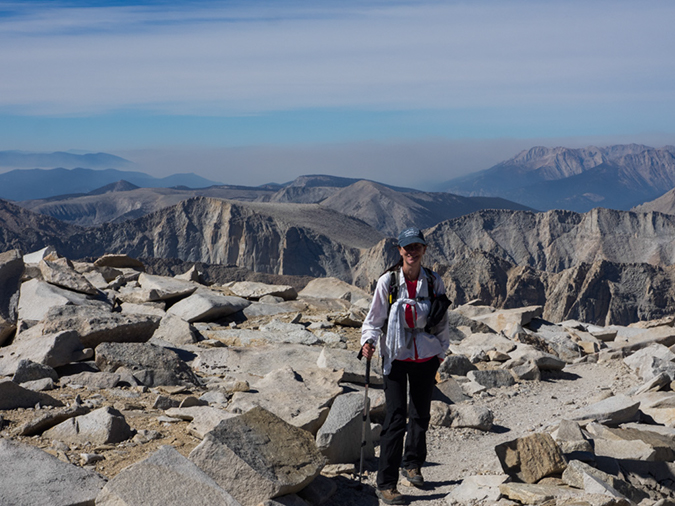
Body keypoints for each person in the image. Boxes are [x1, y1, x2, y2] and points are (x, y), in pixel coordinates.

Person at [361, 227, 450, 505]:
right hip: (396, 358)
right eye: (407, 248)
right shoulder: (388, 281)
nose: (412, 252)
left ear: (424, 250)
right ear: (399, 251)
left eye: (417, 247)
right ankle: (386, 484)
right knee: (396, 418)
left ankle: (412, 464)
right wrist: (368, 341)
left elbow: (443, 320)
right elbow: (374, 319)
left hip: (426, 357)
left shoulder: (434, 282)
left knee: (421, 414)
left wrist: (442, 352)